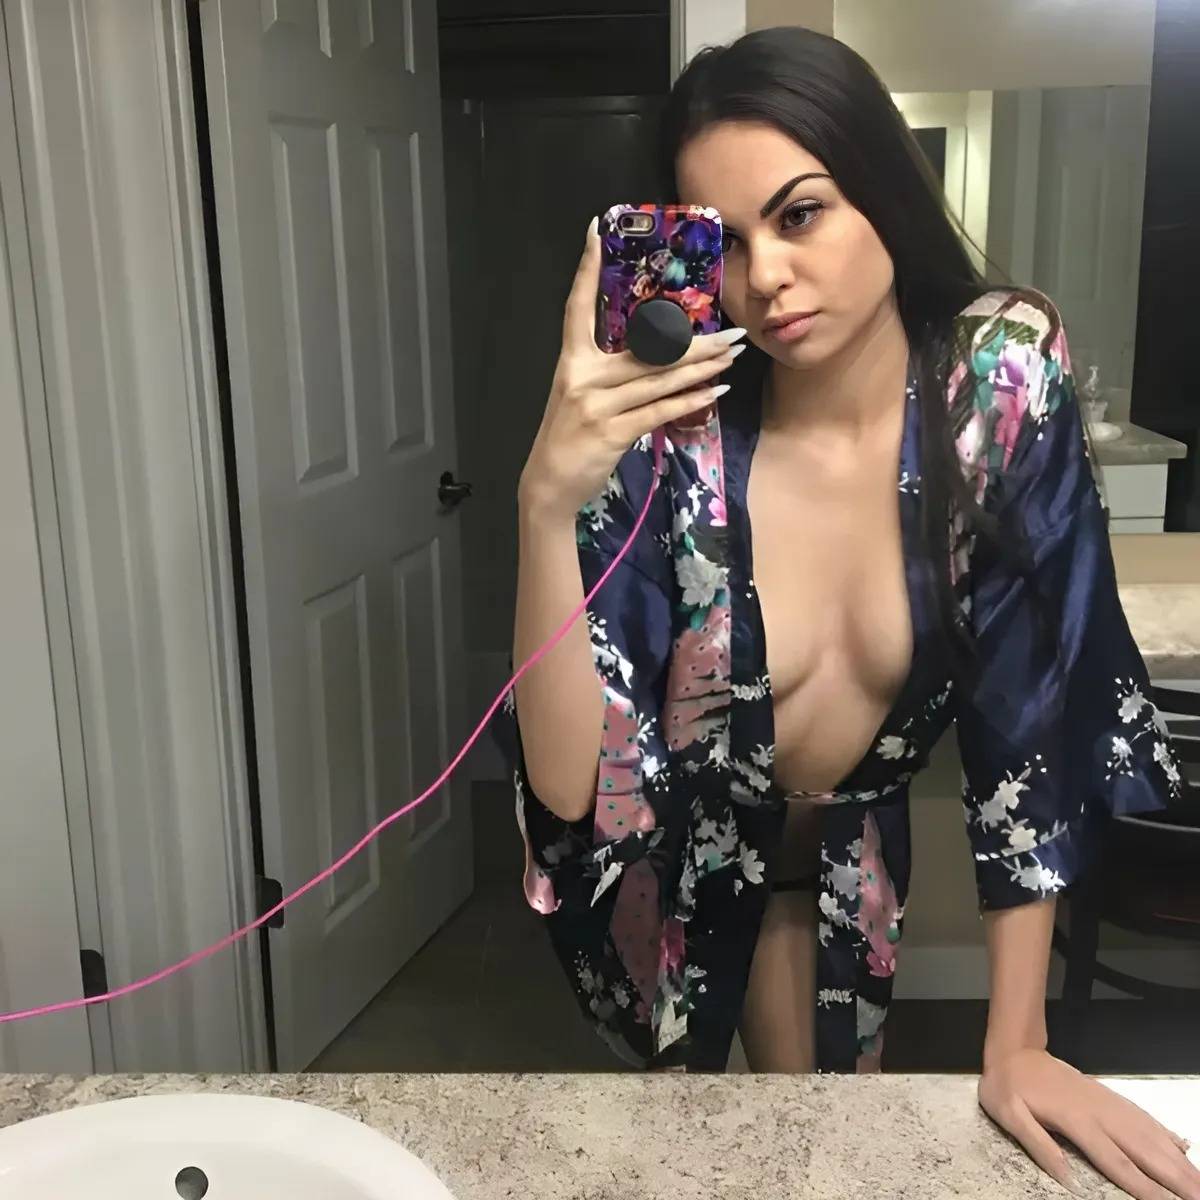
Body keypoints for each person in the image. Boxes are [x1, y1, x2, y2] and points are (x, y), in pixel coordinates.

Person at [501, 26, 1196, 1200]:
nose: (765, 276)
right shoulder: (675, 430)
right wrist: (543, 502)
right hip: (673, 859)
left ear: (879, 183)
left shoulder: (994, 391)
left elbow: (1029, 727)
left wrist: (1018, 1043)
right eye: (726, 242)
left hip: (845, 857)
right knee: (680, 1155)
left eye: (801, 213)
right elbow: (575, 787)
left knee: (826, 1157)